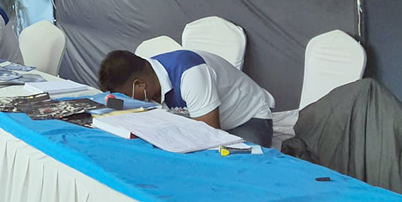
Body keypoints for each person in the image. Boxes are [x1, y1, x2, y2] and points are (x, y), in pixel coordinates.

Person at [97, 49, 277, 147]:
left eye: (126, 95)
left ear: (139, 85)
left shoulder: (190, 73)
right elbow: (116, 104)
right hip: (204, 121)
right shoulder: (147, 76)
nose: (126, 100)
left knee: (246, 165)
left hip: (246, 118)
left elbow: (209, 135)